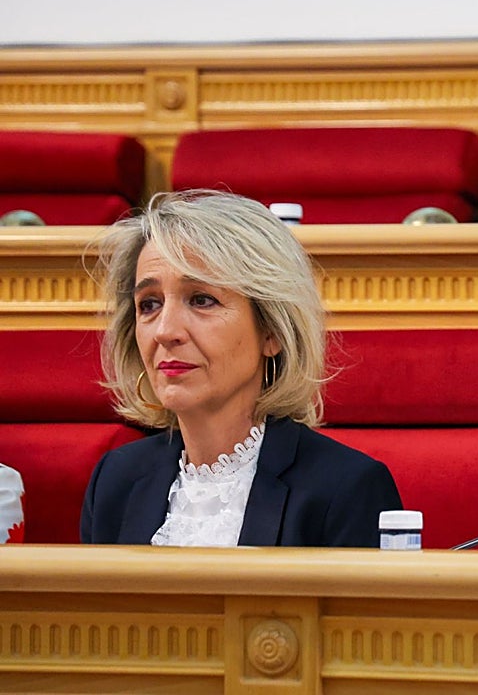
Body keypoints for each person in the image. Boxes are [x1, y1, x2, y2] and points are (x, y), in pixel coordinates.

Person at [81, 190, 402, 547]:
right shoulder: (115, 482)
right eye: (149, 304)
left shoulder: (346, 490)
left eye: (202, 300)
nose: (165, 331)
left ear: (272, 332)